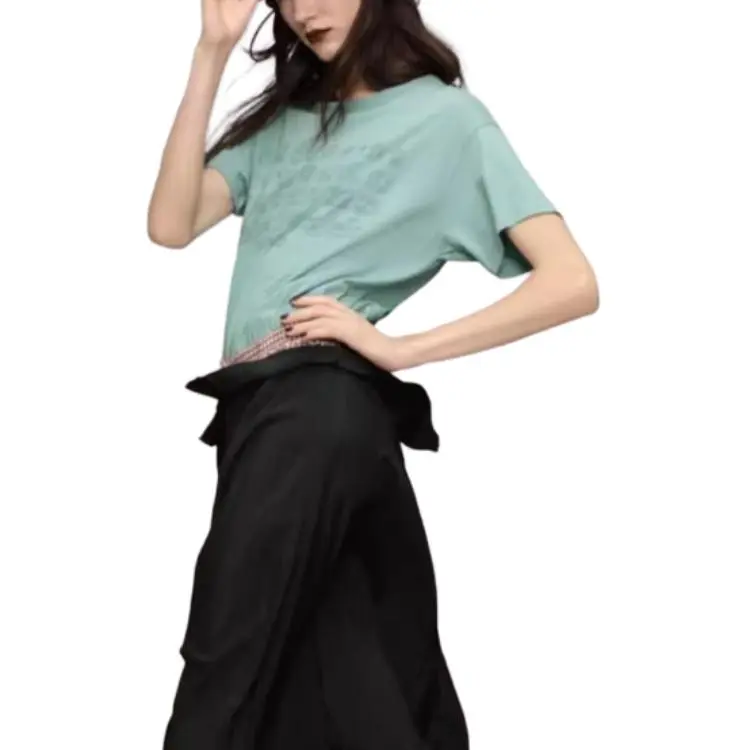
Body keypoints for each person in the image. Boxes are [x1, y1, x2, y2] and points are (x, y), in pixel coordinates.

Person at [147, 0, 599, 748]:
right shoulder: (281, 125)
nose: (304, 10)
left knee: (228, 652)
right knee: (363, 675)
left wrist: (401, 348)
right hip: (267, 415)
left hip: (315, 406)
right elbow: (170, 225)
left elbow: (572, 281)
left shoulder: (448, 123)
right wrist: (211, 51)